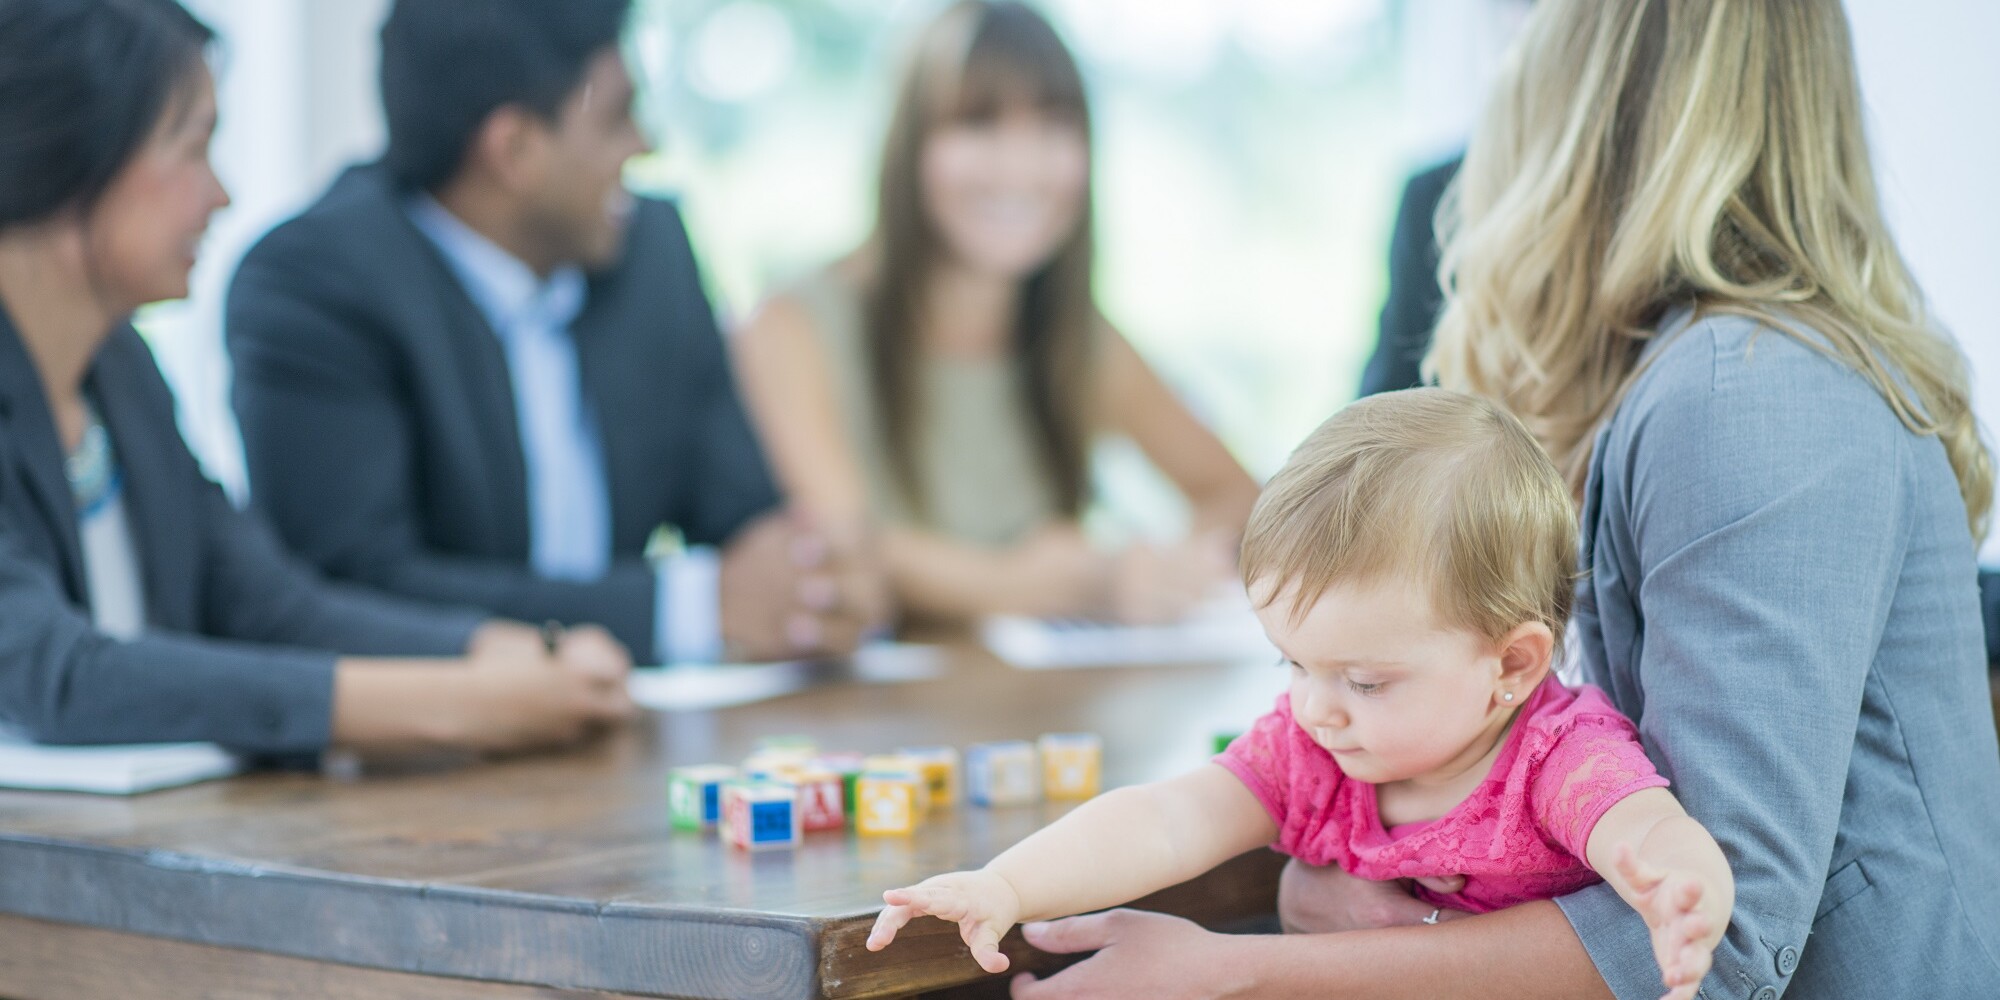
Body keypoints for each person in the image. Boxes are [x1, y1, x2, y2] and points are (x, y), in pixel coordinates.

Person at [998, 2, 2000, 998]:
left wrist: (1254, 964)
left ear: (1576, 94)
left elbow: (1718, 944)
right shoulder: (1706, 370)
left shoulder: (1742, 394)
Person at [867, 389, 1734, 1000]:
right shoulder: (1310, 751)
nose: (1316, 706)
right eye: (1291, 664)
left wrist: (1682, 891)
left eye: (1363, 680)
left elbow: (1649, 831)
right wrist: (1006, 886)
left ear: (1512, 666)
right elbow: (1164, 819)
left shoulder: (1557, 756)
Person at [0, 0, 632, 757]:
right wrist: (459, 703)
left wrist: (498, 649)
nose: (221, 194)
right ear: (72, 158)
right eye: (192, 148)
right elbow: (57, 679)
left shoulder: (120, 371)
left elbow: (269, 606)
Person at [227, 0, 874, 666]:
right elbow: (354, 588)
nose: (647, 146)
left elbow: (742, 517)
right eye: (618, 117)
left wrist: (811, 581)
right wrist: (679, 610)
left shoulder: (653, 251)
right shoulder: (314, 286)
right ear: (515, 150)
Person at [732, 0, 1258, 626]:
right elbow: (851, 549)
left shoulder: (1080, 339)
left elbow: (1242, 499)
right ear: (911, 143)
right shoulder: (794, 325)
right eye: (979, 124)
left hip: (1040, 708)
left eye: (1052, 126)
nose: (1020, 166)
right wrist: (1063, 581)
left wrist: (1169, 565)